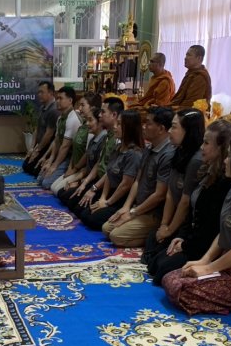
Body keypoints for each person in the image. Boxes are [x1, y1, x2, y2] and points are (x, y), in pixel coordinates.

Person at [162, 134, 231, 315]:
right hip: (227, 263)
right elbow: (224, 232)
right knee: (170, 278)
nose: (225, 161)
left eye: (229, 156)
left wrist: (208, 269)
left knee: (182, 290)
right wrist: (204, 260)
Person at [147, 119, 231, 285]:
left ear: (221, 148)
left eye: (206, 143)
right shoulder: (207, 170)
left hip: (205, 246)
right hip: (192, 238)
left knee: (161, 270)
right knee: (153, 258)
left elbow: (212, 229)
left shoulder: (226, 182)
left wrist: (185, 246)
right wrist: (181, 237)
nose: (201, 147)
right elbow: (191, 212)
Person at [102, 106, 175, 247]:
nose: (144, 127)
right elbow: (137, 181)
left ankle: (154, 238)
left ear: (161, 129)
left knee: (116, 236)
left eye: (148, 123)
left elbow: (159, 195)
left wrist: (133, 213)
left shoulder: (168, 154)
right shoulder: (148, 148)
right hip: (138, 206)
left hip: (153, 212)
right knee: (107, 228)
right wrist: (126, 207)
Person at [142, 109, 205, 267]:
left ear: (188, 131)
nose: (170, 131)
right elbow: (170, 193)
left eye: (174, 127)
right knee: (152, 243)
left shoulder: (196, 160)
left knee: (158, 265)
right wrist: (164, 225)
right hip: (172, 220)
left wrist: (170, 230)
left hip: (186, 225)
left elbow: (185, 202)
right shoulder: (177, 151)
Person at [75, 110, 144, 230]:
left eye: (119, 124)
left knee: (91, 219)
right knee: (82, 212)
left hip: (121, 198)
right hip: (110, 192)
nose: (115, 127)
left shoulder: (134, 154)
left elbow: (125, 185)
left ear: (129, 128)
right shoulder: (117, 147)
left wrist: (108, 203)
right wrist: (103, 197)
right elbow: (109, 173)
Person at [59, 97, 124, 209]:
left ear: (114, 115)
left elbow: (109, 172)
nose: (100, 115)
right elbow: (98, 163)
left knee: (77, 207)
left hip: (107, 185)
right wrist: (83, 183)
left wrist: (93, 189)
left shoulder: (117, 139)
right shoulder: (107, 136)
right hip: (97, 180)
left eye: (103, 112)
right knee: (64, 195)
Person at [50, 93, 103, 195]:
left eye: (83, 105)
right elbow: (73, 149)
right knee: (54, 187)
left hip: (82, 170)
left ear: (92, 107)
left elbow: (87, 155)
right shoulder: (83, 125)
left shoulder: (93, 131)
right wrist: (70, 168)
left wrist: (75, 170)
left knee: (58, 191)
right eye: (79, 105)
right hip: (75, 167)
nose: (79, 108)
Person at [36, 86, 82, 189]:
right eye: (57, 98)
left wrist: (54, 166)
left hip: (71, 158)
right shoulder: (61, 118)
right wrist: (50, 160)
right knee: (40, 179)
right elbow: (56, 141)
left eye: (60, 98)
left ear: (70, 101)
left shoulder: (73, 119)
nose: (57, 101)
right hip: (62, 155)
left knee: (46, 183)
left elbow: (65, 147)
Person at [22, 81, 59, 176]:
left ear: (50, 93)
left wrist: (37, 150)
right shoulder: (42, 107)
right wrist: (32, 148)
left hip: (48, 148)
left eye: (42, 92)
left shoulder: (54, 110)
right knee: (26, 166)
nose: (39, 95)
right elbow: (37, 129)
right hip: (39, 146)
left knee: (34, 171)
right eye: (38, 92)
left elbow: (49, 134)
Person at [169, 45, 212, 109]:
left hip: (190, 113)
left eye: (189, 55)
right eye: (186, 55)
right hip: (180, 109)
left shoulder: (200, 77)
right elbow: (179, 100)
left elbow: (190, 105)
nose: (185, 58)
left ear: (199, 58)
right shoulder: (190, 74)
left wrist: (168, 108)